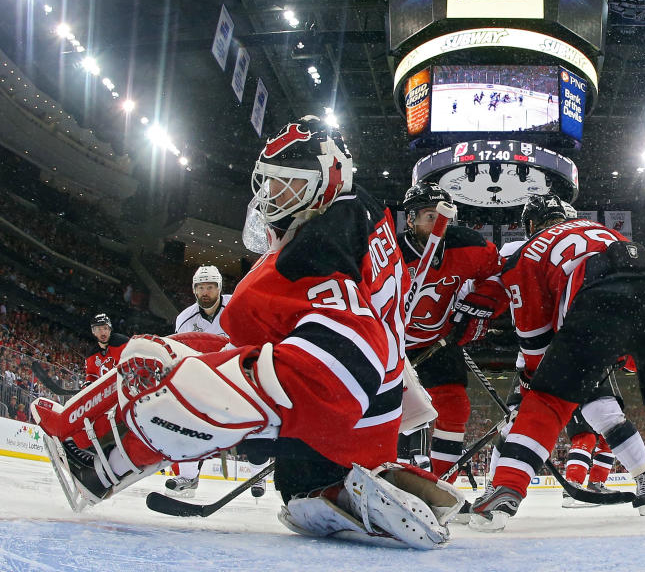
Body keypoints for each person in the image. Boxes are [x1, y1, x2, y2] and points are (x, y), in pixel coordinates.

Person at [30, 116, 462, 549]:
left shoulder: (312, 254)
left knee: (181, 389)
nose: (272, 198)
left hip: (348, 407)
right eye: (269, 185)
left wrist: (228, 390)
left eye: (286, 185)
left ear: (327, 179)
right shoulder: (365, 209)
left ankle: (99, 463)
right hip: (377, 399)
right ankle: (74, 427)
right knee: (170, 353)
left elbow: (343, 362)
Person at [469, 194, 645, 532]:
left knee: (547, 402)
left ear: (531, 225)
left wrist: (537, 379)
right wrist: (631, 353)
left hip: (598, 305)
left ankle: (505, 490)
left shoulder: (528, 252)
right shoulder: (606, 232)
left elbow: (535, 337)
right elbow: (642, 288)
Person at [397, 181, 506, 481]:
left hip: (438, 341)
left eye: (442, 216)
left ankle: (443, 483)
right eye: (429, 216)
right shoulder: (391, 254)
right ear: (410, 219)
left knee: (455, 406)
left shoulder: (468, 246)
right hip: (391, 346)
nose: (437, 224)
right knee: (387, 411)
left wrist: (481, 306)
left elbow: (497, 275)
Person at [168, 266, 267, 498]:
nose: (205, 292)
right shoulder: (184, 319)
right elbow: (182, 352)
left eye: (210, 287)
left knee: (256, 425)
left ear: (219, 287)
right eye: (201, 287)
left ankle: (259, 474)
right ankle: (189, 475)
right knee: (187, 422)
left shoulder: (237, 305)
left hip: (241, 376)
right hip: (206, 380)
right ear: (194, 290)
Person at [83, 314, 129, 386]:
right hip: (110, 392)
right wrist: (89, 384)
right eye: (98, 329)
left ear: (110, 329)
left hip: (128, 385)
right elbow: (91, 375)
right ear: (93, 332)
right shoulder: (91, 354)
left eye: (105, 328)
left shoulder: (121, 342)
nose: (103, 332)